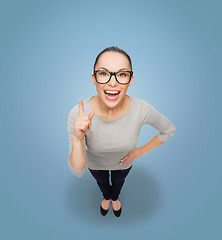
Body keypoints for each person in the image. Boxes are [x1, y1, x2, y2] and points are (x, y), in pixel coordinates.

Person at [67, 46, 176, 217]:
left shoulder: (141, 109)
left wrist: (140, 151)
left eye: (122, 74)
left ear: (131, 79)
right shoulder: (78, 114)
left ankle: (115, 197)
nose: (112, 82)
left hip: (124, 164)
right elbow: (77, 171)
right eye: (103, 73)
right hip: (95, 165)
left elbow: (168, 130)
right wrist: (77, 138)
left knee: (118, 183)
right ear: (94, 79)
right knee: (102, 184)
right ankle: (106, 196)